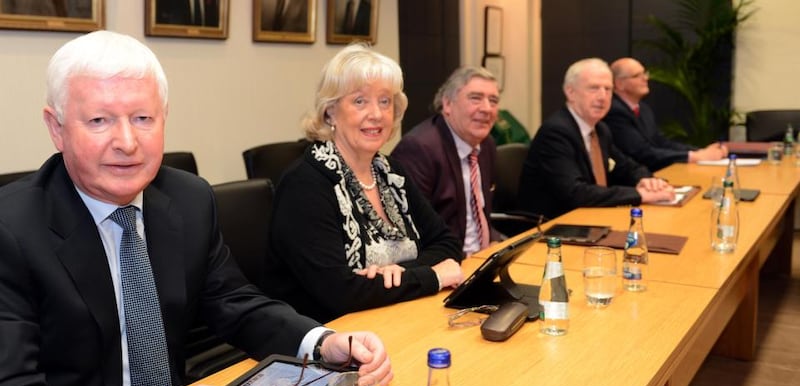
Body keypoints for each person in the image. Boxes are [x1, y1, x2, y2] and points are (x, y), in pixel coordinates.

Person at [0, 30, 392, 386]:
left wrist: (322, 343)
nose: (127, 142)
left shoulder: (188, 199)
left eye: (142, 118)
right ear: (56, 128)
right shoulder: (11, 228)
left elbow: (237, 305)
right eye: (99, 120)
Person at [262, 43, 464, 324]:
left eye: (385, 101)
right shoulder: (304, 184)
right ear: (330, 112)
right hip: (327, 339)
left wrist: (398, 272)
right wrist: (431, 276)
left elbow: (448, 243)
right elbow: (340, 292)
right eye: (360, 101)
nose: (377, 114)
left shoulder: (389, 172)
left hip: (395, 317)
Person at [517, 58, 675, 220]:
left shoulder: (600, 129)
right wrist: (639, 195)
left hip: (592, 218)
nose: (603, 96)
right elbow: (575, 193)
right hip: (552, 227)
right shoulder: (556, 132)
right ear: (570, 92)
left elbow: (627, 166)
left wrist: (646, 180)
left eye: (608, 89)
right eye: (594, 88)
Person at [392, 66, 502, 255]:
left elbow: (480, 215)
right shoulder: (419, 149)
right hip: (448, 264)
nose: (486, 109)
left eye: (493, 101)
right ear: (448, 104)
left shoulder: (486, 144)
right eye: (475, 98)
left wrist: (493, 242)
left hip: (485, 255)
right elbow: (413, 233)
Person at [604, 57, 728, 171]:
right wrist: (695, 157)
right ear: (620, 84)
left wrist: (701, 152)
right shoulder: (615, 112)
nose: (646, 78)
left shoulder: (643, 108)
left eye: (644, 73)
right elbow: (641, 153)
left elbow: (661, 142)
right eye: (637, 75)